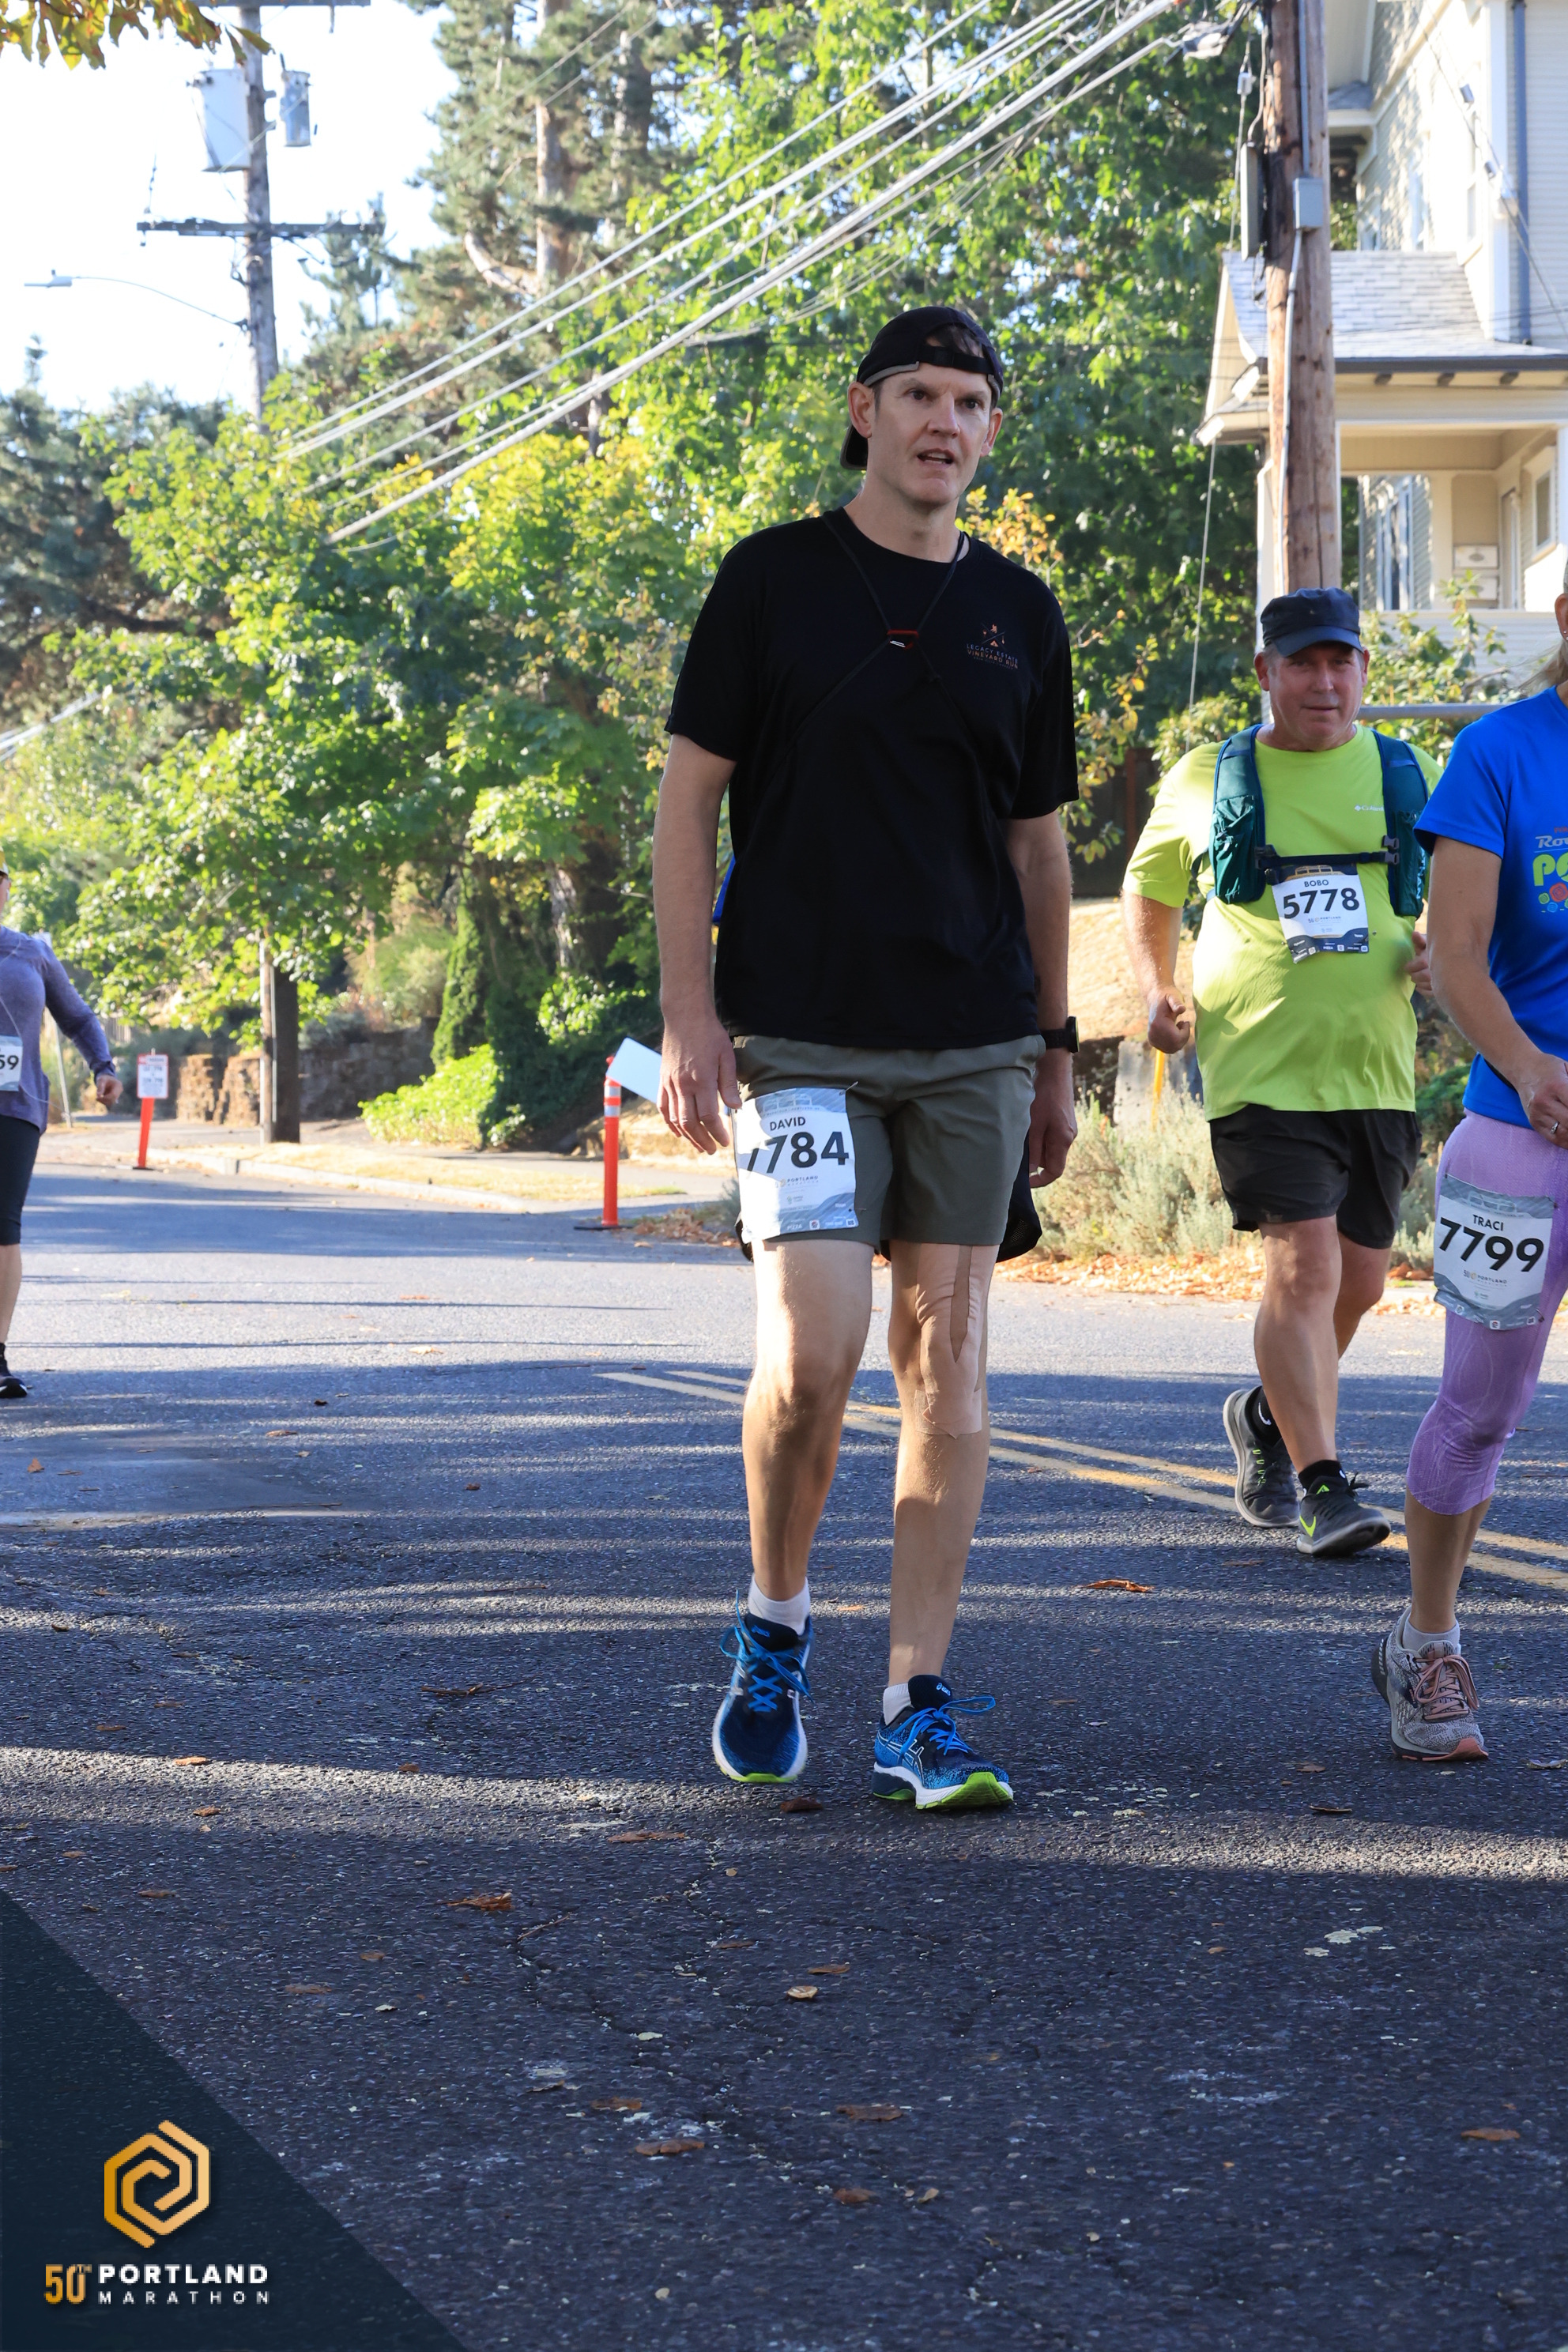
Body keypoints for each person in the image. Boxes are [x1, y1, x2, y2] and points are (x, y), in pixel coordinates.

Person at [653, 306, 1079, 1810]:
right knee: (814, 1352)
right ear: (864, 410)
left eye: (968, 402)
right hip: (797, 1036)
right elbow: (687, 800)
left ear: (987, 431)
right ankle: (774, 1621)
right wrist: (690, 1013)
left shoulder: (1018, 613)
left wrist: (1053, 1049)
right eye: (917, 395)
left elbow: (1039, 850)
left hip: (972, 1042)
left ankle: (914, 1699)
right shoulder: (770, 579)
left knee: (947, 1367)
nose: (942, 422)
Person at [1123, 587, 1438, 1556]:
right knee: (1302, 1266)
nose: (1324, 681)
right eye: (1302, 663)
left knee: (1360, 1283)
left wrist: (1442, 947)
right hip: (1258, 1065)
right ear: (1265, 672)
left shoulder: (1404, 770)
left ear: (1363, 671)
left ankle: (1268, 1415)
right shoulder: (1209, 775)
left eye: (1340, 661)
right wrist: (1156, 989)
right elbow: (1149, 884)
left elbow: (1460, 890)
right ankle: (1321, 1487)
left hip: (1375, 1069)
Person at [1370, 567, 1568, 1761]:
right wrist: (1532, 1070)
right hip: (1518, 1131)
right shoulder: (1499, 753)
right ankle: (1427, 1642)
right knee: (1481, 1408)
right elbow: (1453, 954)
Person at [0, 864, 122, 1396]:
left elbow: (77, 1017)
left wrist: (103, 1066)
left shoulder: (30, 952)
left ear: (7, 889)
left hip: (14, 1106)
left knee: (2, 1225)